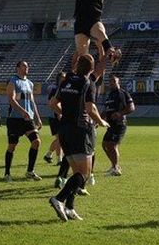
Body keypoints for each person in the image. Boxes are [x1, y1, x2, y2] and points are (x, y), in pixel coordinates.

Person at [48, 54, 109, 221]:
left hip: (64, 130)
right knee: (85, 174)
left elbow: (52, 104)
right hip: (80, 131)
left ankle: (69, 208)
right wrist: (101, 121)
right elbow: (90, 109)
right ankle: (59, 199)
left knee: (76, 172)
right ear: (91, 68)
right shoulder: (87, 83)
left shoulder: (66, 81)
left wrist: (66, 114)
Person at [73, 0, 121, 69]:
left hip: (93, 20)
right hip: (80, 22)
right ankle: (84, 76)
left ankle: (112, 55)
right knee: (82, 56)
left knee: (101, 33)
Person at [4, 61, 43, 182]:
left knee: (36, 142)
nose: (27, 68)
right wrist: (22, 111)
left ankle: (30, 171)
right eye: (24, 66)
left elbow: (32, 102)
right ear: (18, 68)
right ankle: (7, 173)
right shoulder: (13, 81)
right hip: (15, 119)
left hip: (28, 119)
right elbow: (11, 99)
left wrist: (37, 117)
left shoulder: (30, 83)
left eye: (27, 66)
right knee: (12, 146)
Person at [102, 74, 135, 176]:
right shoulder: (110, 95)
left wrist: (120, 113)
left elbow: (132, 107)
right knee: (105, 145)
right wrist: (98, 120)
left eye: (114, 81)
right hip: (110, 125)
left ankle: (116, 168)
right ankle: (114, 165)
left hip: (119, 124)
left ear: (118, 83)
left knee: (112, 145)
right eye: (110, 82)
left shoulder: (122, 93)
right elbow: (106, 110)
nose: (112, 83)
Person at [44, 72, 66, 165]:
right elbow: (51, 103)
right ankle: (59, 160)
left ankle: (48, 155)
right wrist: (58, 113)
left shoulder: (64, 89)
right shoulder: (55, 89)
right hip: (54, 116)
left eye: (65, 77)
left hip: (62, 115)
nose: (64, 79)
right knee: (60, 138)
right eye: (62, 78)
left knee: (60, 138)